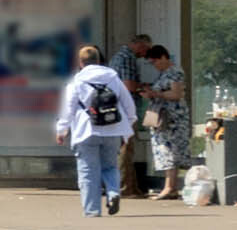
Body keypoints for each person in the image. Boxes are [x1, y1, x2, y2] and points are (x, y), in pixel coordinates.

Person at [55, 42, 138, 218]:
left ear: (80, 63)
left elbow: (67, 110)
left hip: (86, 131)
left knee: (88, 171)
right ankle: (114, 192)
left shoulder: (77, 82)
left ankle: (92, 210)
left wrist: (61, 131)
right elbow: (129, 106)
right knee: (110, 166)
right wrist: (126, 129)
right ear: (99, 60)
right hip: (113, 129)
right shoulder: (114, 78)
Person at [140, 44, 189, 199]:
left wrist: (155, 94)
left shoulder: (175, 72)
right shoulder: (164, 73)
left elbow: (176, 94)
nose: (154, 65)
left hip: (172, 118)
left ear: (163, 57)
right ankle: (170, 187)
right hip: (163, 118)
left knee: (170, 151)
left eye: (155, 62)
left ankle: (170, 187)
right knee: (165, 150)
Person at [109, 32, 152, 197]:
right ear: (139, 45)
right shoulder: (127, 58)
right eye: (145, 49)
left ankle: (132, 187)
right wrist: (144, 87)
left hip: (117, 109)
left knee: (126, 148)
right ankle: (125, 188)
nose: (145, 54)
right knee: (126, 149)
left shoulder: (119, 57)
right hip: (125, 110)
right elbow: (128, 85)